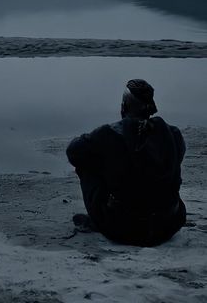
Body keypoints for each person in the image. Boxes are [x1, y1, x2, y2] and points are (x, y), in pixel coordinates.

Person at [66, 79, 186, 246]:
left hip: (123, 229)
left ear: (123, 106)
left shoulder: (107, 134)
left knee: (86, 164)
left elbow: (73, 152)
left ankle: (101, 217)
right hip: (169, 224)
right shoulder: (173, 133)